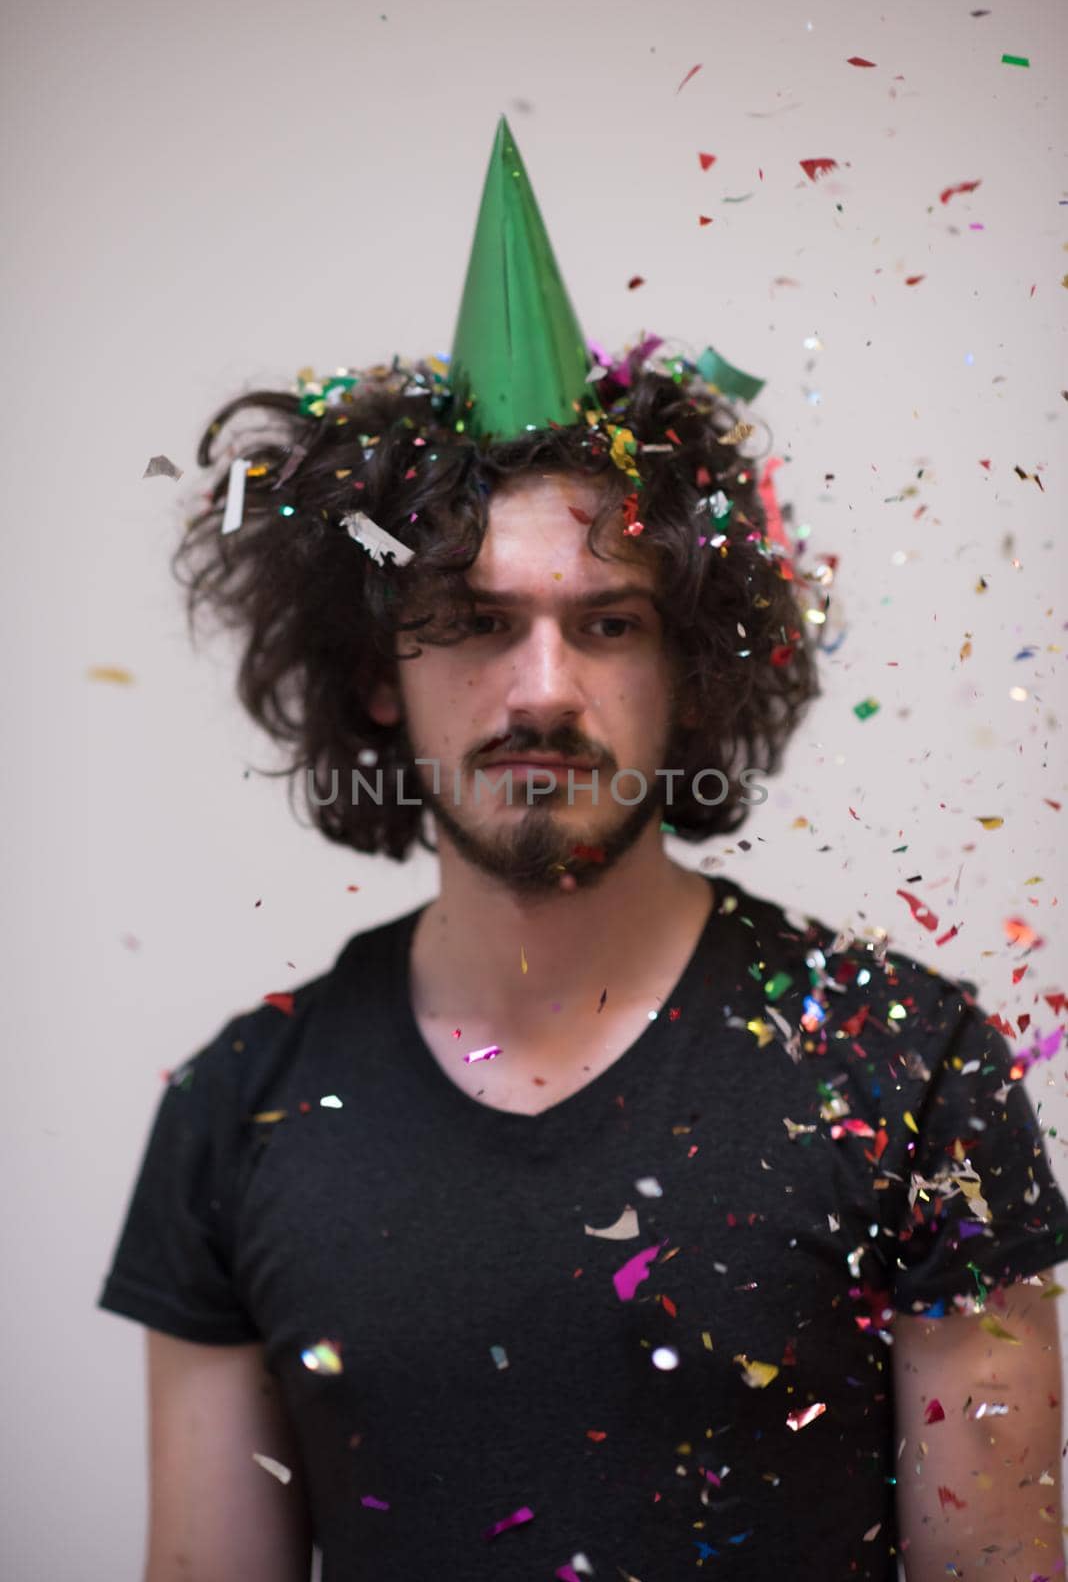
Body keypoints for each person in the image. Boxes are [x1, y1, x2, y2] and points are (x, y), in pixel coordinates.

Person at [97, 118, 1068, 1581]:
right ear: (379, 671)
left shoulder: (901, 1072)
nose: (541, 686)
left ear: (686, 672)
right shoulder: (237, 1116)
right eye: (475, 621)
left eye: (606, 623)